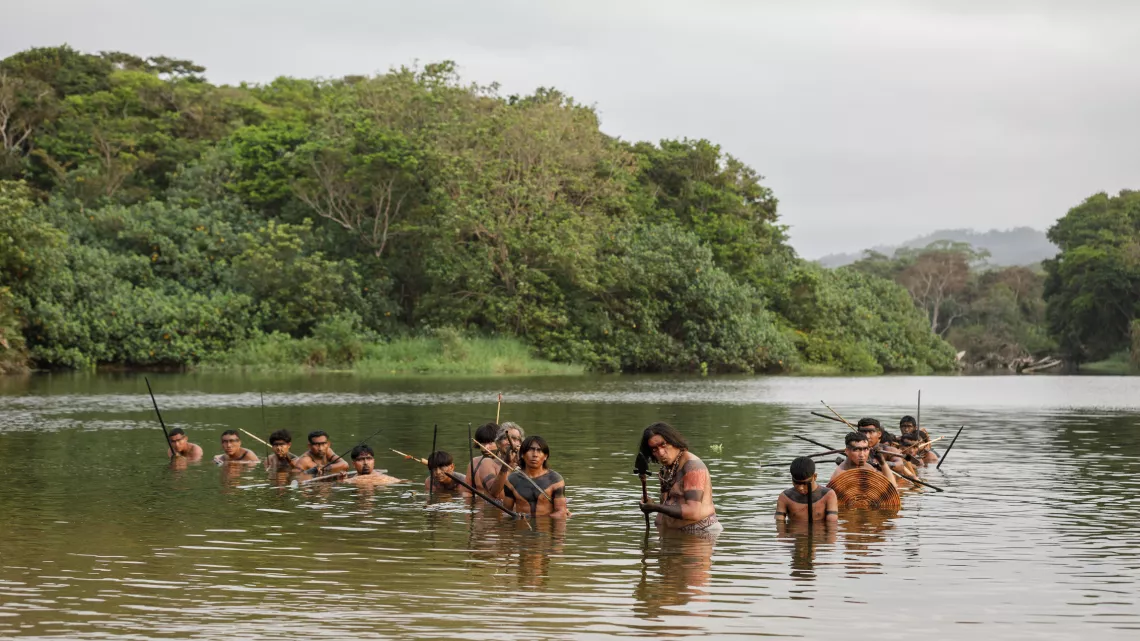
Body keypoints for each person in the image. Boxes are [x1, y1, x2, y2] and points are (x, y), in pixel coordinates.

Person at [637, 422, 721, 534]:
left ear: (673, 441)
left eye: (663, 445)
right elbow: (671, 504)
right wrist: (650, 505)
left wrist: (656, 507)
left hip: (700, 537)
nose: (661, 453)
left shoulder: (692, 466)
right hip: (674, 538)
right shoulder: (668, 468)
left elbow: (693, 512)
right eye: (654, 449)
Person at [500, 436, 569, 519]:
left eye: (539, 450)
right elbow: (506, 512)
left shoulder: (556, 480)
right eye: (530, 450)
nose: (535, 454)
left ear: (546, 456)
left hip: (545, 529)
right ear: (522, 454)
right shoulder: (511, 480)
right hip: (522, 529)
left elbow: (561, 512)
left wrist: (535, 518)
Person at [776, 457, 838, 523]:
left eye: (804, 483)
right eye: (796, 483)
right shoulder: (785, 497)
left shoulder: (828, 495)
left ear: (815, 477)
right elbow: (780, 525)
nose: (800, 488)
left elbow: (832, 525)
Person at [829, 431, 896, 488]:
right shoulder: (840, 475)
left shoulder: (868, 468)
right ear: (847, 451)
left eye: (865, 449)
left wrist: (882, 462)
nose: (862, 455)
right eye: (857, 450)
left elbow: (892, 488)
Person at [465, 422, 500, 494]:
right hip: (478, 504)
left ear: (499, 442)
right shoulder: (474, 463)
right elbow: (466, 492)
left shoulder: (507, 464)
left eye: (490, 443)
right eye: (483, 443)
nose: (486, 447)